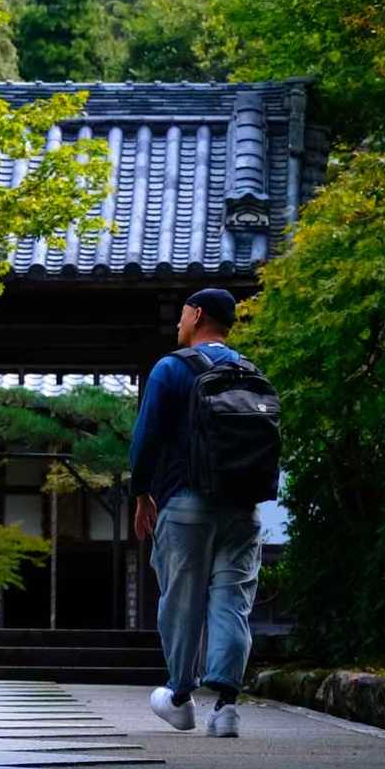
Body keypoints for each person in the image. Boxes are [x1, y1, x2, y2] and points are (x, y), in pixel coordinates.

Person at [129, 286, 263, 736]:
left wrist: (142, 492)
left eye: (183, 314)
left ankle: (180, 695)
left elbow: (146, 436)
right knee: (232, 600)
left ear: (197, 314)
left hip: (185, 502)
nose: (178, 323)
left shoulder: (171, 368)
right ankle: (226, 707)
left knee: (181, 599)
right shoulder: (250, 371)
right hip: (243, 507)